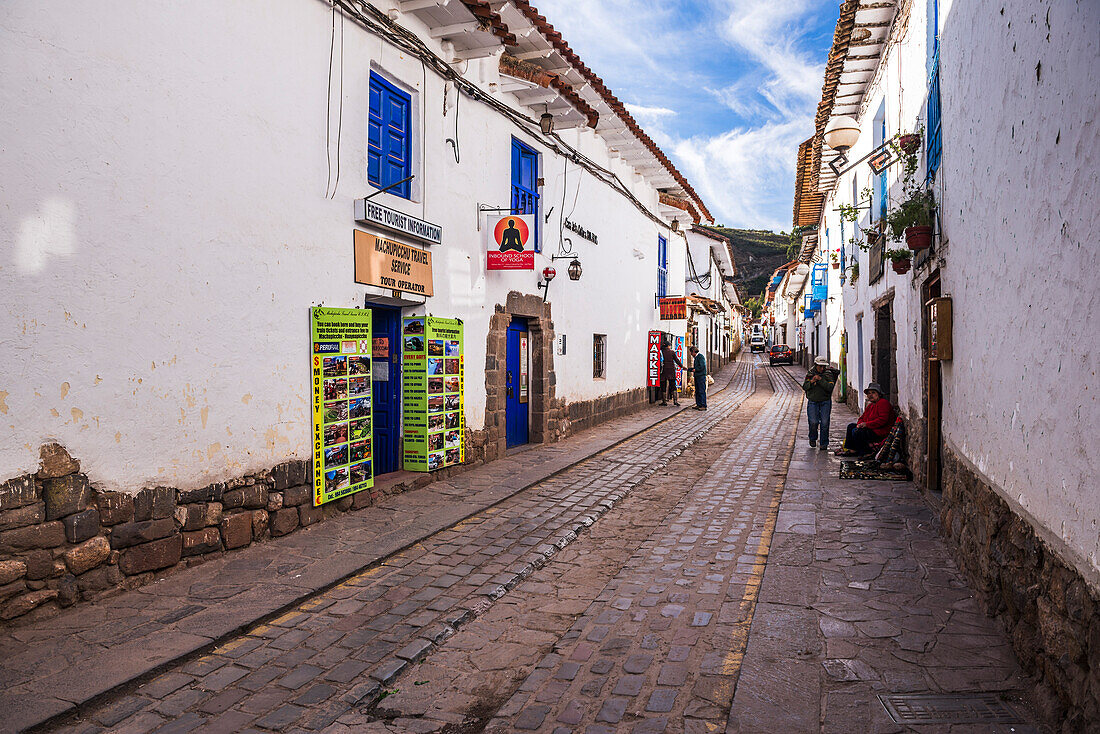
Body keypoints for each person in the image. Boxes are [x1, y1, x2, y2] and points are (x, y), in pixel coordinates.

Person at [841, 382, 897, 455]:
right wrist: (860, 424)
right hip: (871, 428)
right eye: (869, 393)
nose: (870, 395)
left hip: (880, 431)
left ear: (879, 394)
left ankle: (866, 452)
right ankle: (853, 450)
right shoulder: (870, 406)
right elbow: (862, 418)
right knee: (851, 426)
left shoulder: (883, 403)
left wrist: (866, 424)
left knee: (857, 432)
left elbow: (883, 420)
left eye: (873, 393)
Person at [801, 356, 839, 450]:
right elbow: (805, 387)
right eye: (820, 366)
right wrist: (812, 381)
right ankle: (813, 438)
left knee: (825, 423)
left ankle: (824, 443)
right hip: (813, 402)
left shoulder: (828, 374)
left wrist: (820, 380)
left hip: (825, 402)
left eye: (823, 366)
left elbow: (830, 387)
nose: (822, 368)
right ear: (815, 365)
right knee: (813, 422)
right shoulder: (810, 373)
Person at [658, 339, 683, 406]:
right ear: (668, 346)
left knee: (663, 385)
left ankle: (664, 401)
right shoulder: (672, 352)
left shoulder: (660, 352)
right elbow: (677, 360)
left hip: (663, 370)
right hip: (671, 370)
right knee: (673, 385)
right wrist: (682, 366)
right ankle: (675, 401)